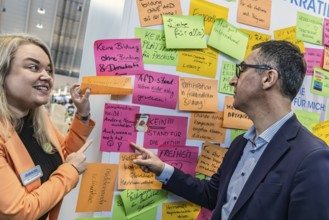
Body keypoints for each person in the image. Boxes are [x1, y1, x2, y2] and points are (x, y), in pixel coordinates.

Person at [131, 40, 329, 220]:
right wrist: (162, 169)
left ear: (268, 78)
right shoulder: (240, 143)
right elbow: (212, 195)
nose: (232, 80)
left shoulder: (311, 158)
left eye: (241, 70)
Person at [0, 33, 95, 220]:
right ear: (3, 74)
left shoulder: (39, 121)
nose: (47, 77)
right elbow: (19, 211)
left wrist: (82, 115)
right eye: (33, 67)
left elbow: (65, 155)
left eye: (48, 70)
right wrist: (71, 172)